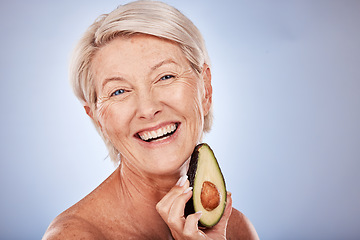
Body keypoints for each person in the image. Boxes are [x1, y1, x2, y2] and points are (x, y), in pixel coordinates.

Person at [43, 1, 259, 239]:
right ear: (97, 118)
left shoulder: (236, 229)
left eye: (165, 76)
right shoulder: (75, 235)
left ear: (205, 89)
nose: (148, 108)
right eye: (119, 91)